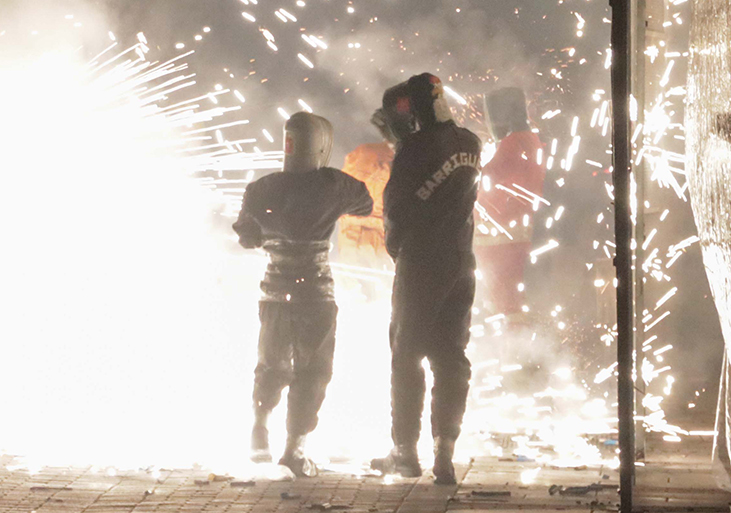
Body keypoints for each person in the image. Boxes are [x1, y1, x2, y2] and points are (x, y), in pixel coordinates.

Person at [233, 111, 374, 477]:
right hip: (315, 293)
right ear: (320, 146)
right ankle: (294, 451)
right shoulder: (333, 184)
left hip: (274, 292)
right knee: (313, 371)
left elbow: (247, 236)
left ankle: (259, 431)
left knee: (271, 364)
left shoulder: (261, 189)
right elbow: (366, 204)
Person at [371, 74, 482, 485]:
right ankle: (445, 449)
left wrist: (398, 251)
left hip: (421, 263)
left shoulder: (414, 149)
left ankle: (405, 452)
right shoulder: (471, 142)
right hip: (461, 261)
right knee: (451, 356)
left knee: (407, 355)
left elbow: (397, 209)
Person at [476, 87, 545, 321]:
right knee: (511, 306)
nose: (489, 123)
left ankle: (515, 352)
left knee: (506, 308)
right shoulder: (528, 141)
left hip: (502, 245)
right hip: (509, 242)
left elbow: (486, 177)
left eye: (491, 115)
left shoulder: (514, 144)